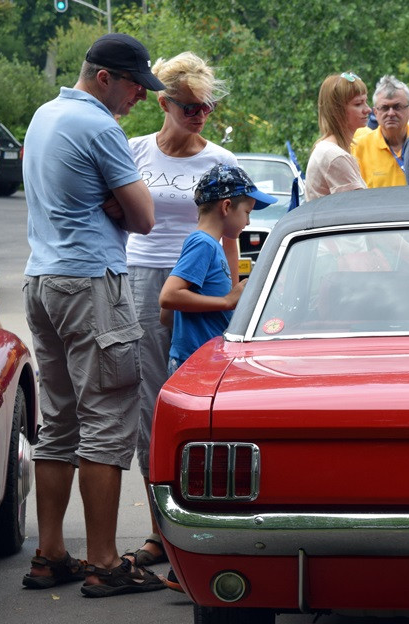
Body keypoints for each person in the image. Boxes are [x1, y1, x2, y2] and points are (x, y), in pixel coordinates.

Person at [21, 33, 165, 597]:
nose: (139, 96)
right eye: (134, 85)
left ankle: (51, 552)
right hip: (89, 283)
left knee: (58, 420)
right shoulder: (99, 126)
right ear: (104, 76)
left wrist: (113, 202)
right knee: (107, 418)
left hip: (41, 279)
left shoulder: (44, 115)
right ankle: (105, 561)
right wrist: (118, 203)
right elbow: (146, 218)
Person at [124, 51, 236, 571]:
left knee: (201, 399)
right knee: (152, 402)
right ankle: (157, 530)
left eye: (206, 108)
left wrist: (235, 296)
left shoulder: (220, 161)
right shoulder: (135, 150)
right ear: (164, 103)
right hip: (145, 280)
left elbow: (233, 235)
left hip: (202, 285)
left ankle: (201, 526)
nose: (198, 117)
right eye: (189, 108)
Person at [159, 164, 275, 370]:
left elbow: (166, 316)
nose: (248, 222)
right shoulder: (203, 243)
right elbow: (168, 297)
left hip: (202, 357)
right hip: (196, 362)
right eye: (247, 212)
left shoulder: (209, 244)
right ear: (226, 206)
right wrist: (226, 301)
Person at [305, 72, 371, 200]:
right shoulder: (335, 156)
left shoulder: (330, 150)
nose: (367, 109)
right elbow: (360, 207)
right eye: (358, 104)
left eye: (365, 101)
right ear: (337, 111)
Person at [350, 75, 409, 188]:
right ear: (375, 113)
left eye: (397, 107)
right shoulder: (359, 148)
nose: (391, 113)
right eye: (385, 108)